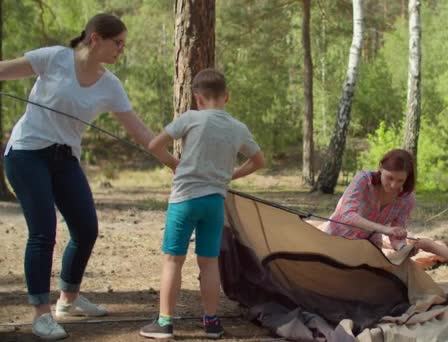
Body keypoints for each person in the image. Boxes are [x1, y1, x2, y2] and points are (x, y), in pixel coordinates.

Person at [0, 13, 178, 340]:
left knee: (86, 229)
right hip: (27, 153)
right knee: (42, 232)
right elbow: (3, 69)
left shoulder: (110, 85)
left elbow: (139, 131)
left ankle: (67, 299)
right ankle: (41, 314)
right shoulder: (54, 58)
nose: (121, 50)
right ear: (95, 38)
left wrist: (176, 164)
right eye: (117, 43)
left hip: (65, 158)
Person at [139, 68, 265, 340]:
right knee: (209, 263)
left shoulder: (191, 119)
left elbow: (153, 145)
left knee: (173, 260)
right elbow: (258, 161)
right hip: (214, 203)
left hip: (184, 200)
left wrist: (176, 164)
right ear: (226, 97)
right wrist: (231, 174)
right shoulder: (238, 128)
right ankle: (211, 323)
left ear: (198, 98)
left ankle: (164, 323)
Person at [322, 149, 414, 250]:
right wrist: (384, 229)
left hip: (369, 246)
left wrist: (404, 248)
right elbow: (347, 214)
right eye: (390, 178)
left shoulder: (406, 199)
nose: (393, 185)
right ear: (381, 168)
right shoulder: (364, 179)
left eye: (400, 180)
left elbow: (395, 234)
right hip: (337, 237)